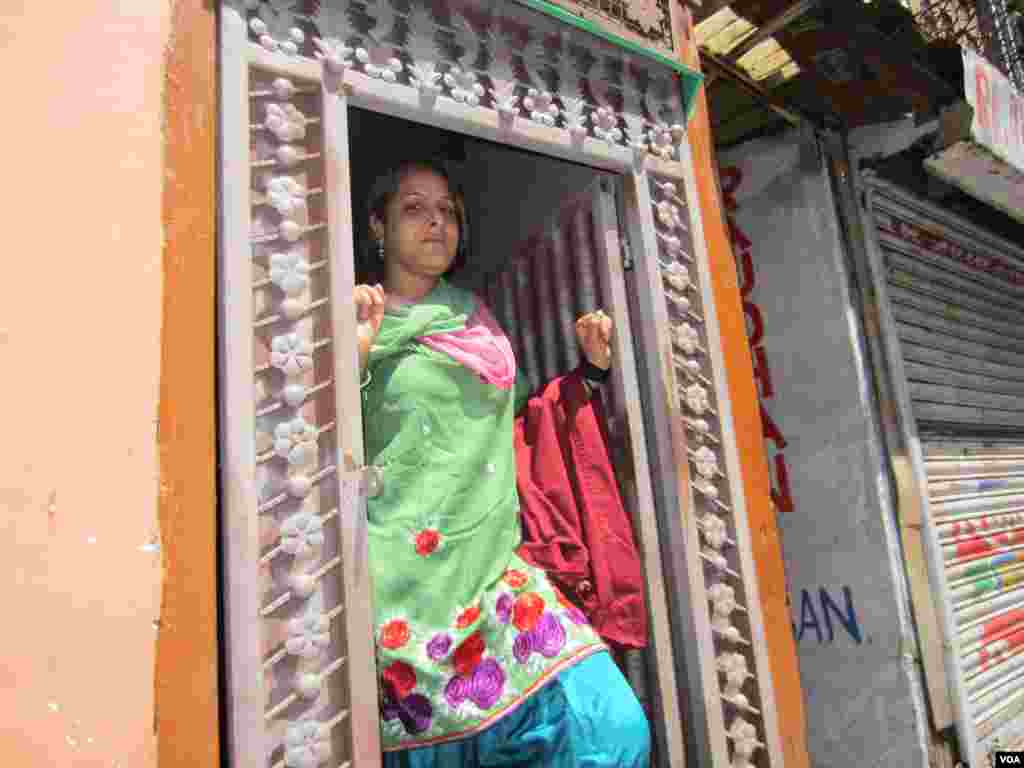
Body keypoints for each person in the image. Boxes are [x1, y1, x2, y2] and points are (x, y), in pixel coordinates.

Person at [354, 156, 651, 767]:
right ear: (378, 227)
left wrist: (588, 376)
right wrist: (352, 356)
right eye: (414, 208)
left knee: (610, 729)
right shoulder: (355, 316)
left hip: (493, 570)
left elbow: (520, 423)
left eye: (447, 211)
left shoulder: (475, 319)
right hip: (401, 590)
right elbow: (312, 434)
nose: (436, 222)